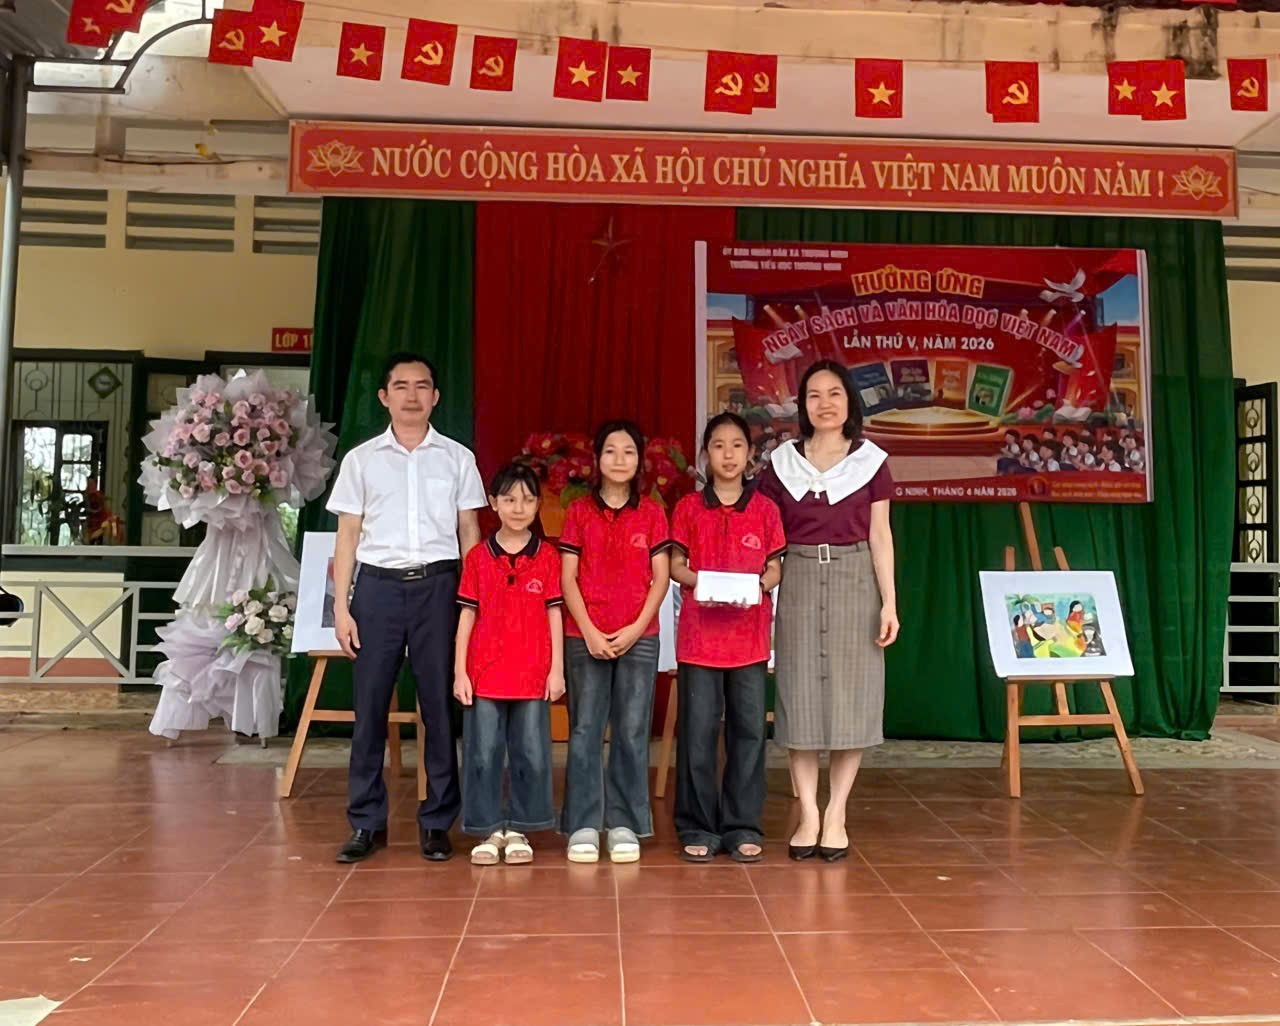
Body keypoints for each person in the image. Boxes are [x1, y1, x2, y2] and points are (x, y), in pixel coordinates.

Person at [327, 352, 487, 864]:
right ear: (384, 397)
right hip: (376, 590)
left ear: (435, 397)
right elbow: (347, 535)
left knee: (438, 707)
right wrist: (342, 607)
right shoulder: (361, 460)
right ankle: (365, 822)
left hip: (440, 589)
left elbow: (469, 532)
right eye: (401, 386)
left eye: (422, 386)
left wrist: (474, 601)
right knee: (370, 708)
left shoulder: (457, 458)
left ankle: (437, 822)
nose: (412, 395)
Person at [758, 360, 898, 863]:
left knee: (850, 696)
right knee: (797, 695)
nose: (824, 404)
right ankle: (808, 815)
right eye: (813, 395)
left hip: (854, 578)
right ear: (802, 405)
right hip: (796, 576)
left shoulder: (872, 462)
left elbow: (880, 535)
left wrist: (890, 601)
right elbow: (766, 535)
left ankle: (836, 812)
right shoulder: (781, 464)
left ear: (849, 401)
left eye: (834, 393)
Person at [668, 412, 785, 863]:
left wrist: (758, 586)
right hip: (700, 640)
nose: (728, 454)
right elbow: (676, 565)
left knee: (749, 733)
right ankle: (696, 824)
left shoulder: (765, 509)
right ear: (706, 454)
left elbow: (775, 567)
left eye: (737, 445)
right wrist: (705, 583)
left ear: (750, 454)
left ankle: (742, 825)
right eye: (718, 446)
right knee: (697, 734)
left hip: (749, 641)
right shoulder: (688, 508)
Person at [559, 420, 671, 864]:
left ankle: (625, 823)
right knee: (585, 729)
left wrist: (636, 628)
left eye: (628, 451)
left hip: (638, 637)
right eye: (611, 451)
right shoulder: (578, 512)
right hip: (583, 635)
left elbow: (661, 579)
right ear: (597, 458)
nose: (619, 459)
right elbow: (567, 578)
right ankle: (584, 824)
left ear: (640, 460)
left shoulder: (653, 513)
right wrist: (588, 630)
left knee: (631, 729)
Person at [454, 462, 564, 866]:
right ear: (493, 503)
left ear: (538, 505)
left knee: (531, 752)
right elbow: (467, 615)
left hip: (533, 674)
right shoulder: (478, 558)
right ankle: (487, 828)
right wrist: (460, 671)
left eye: (528, 499)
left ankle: (519, 827)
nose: (519, 508)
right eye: (510, 499)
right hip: (484, 674)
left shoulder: (547, 556)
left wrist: (556, 669)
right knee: (482, 752)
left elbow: (554, 613)